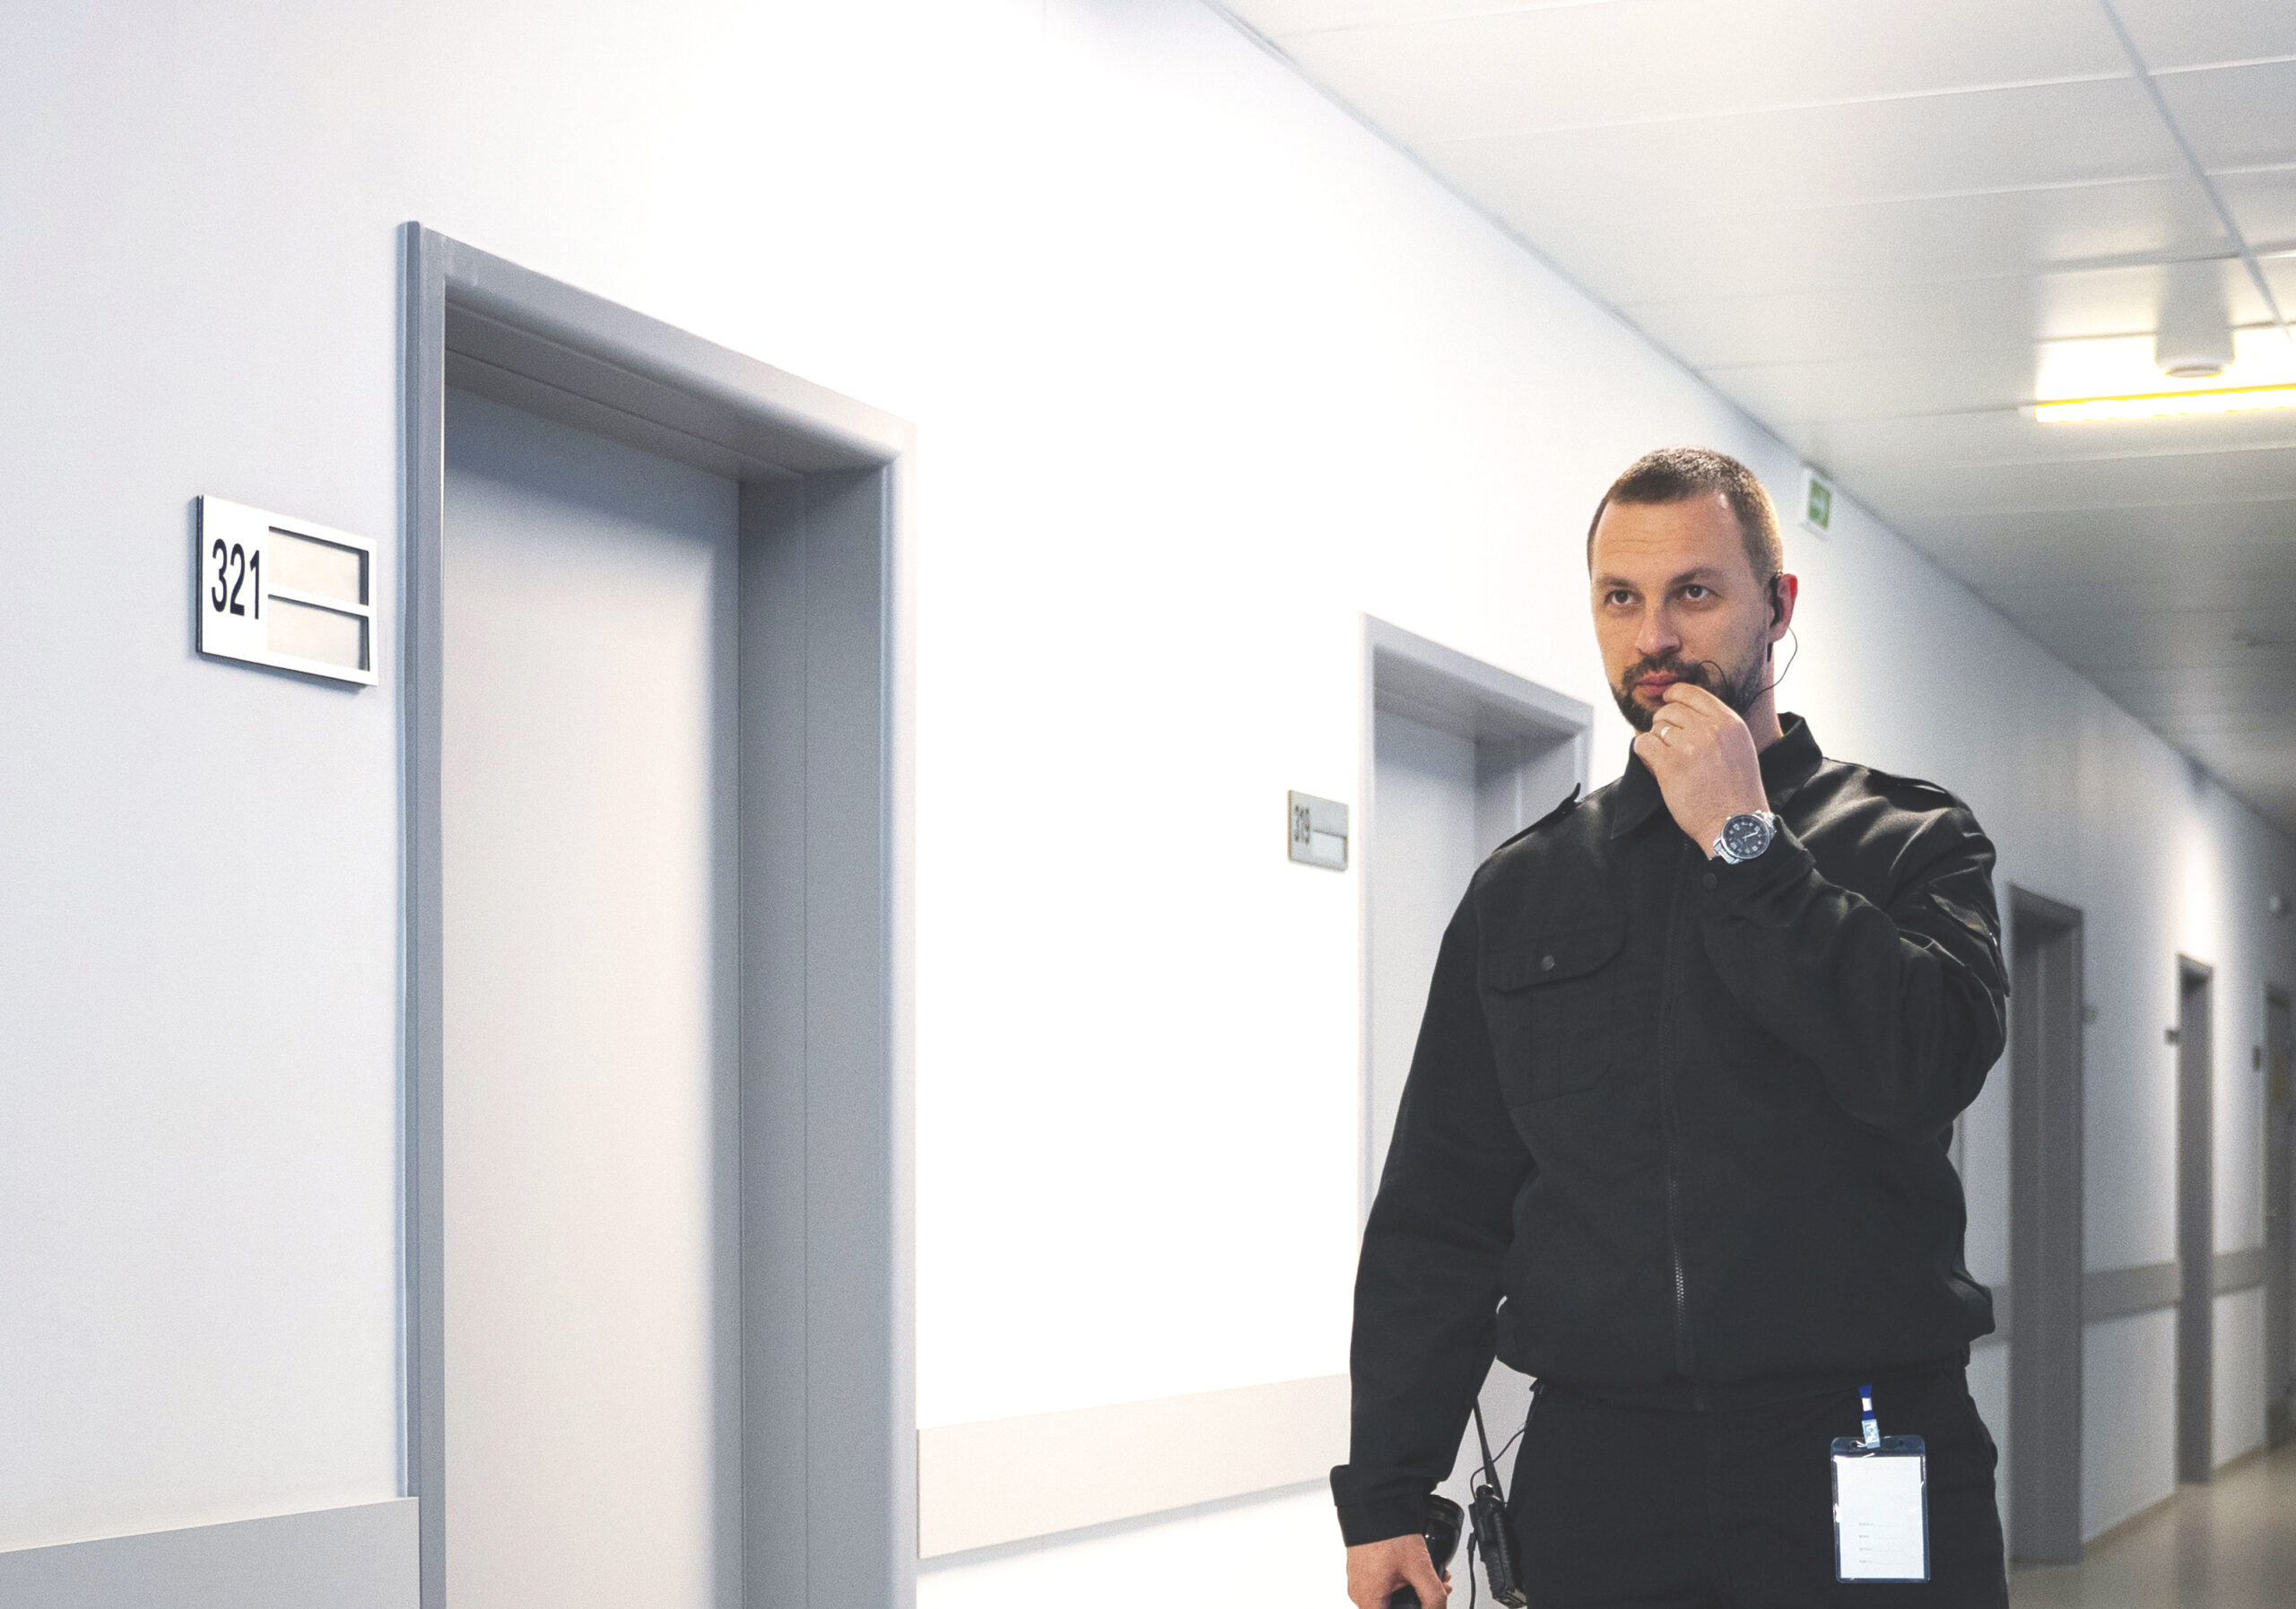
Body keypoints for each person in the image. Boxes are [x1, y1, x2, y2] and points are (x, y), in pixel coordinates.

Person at [1335, 448, 2010, 1609]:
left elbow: (1928, 1057)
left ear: (1778, 606)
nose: (1655, 633)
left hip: (1864, 1440)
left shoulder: (1906, 841)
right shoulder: (1527, 888)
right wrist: (1393, 1486)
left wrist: (1750, 845)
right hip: (1608, 1466)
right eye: (1621, 597)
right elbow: (1441, 1211)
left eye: (1694, 592)